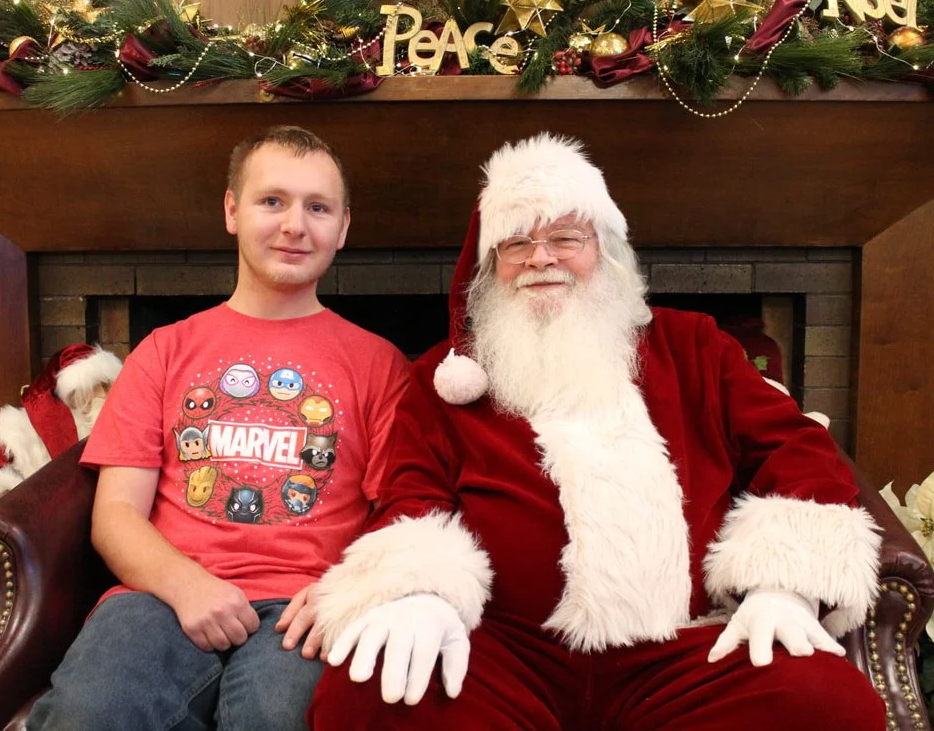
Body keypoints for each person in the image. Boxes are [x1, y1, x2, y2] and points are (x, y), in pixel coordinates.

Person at [307, 133, 885, 730]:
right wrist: (419, 592)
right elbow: (412, 492)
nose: (541, 259)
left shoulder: (695, 347)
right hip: (504, 652)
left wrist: (783, 585)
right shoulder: (443, 377)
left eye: (565, 238)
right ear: (490, 267)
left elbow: (796, 447)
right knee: (366, 696)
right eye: (516, 244)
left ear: (604, 249)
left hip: (685, 651)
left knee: (826, 704)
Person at [27, 125, 410, 731]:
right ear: (232, 210)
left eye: (317, 207)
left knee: (278, 717)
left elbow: (405, 510)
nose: (294, 225)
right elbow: (116, 514)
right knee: (89, 714)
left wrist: (353, 588)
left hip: (307, 605)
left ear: (342, 227)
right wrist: (186, 585)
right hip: (158, 596)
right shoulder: (164, 350)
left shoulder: (380, 365)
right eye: (272, 201)